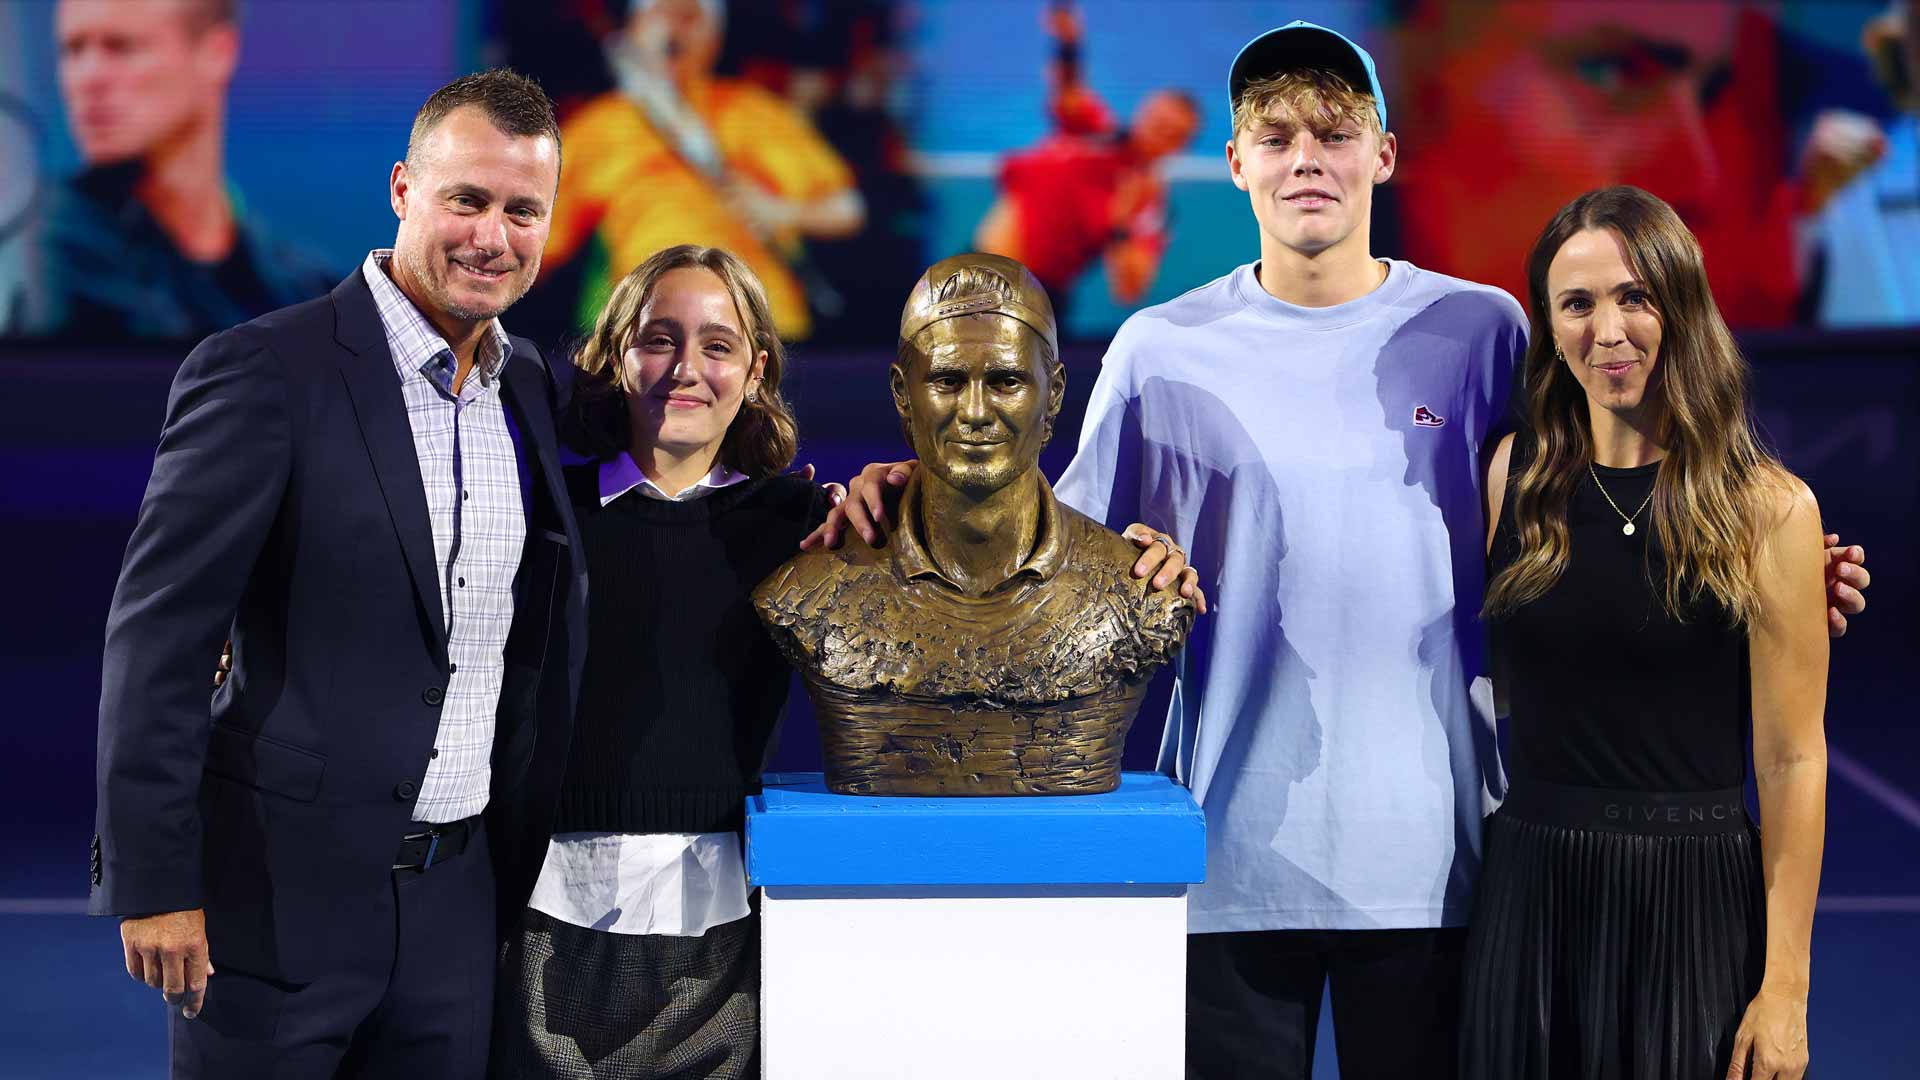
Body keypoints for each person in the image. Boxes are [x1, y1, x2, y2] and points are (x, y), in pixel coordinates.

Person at [812, 22, 1870, 1079]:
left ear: (1384, 153)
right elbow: (1040, 560)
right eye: (1274, 135)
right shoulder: (1158, 350)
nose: (1306, 157)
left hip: (1442, 878)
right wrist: (923, 495)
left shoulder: (1483, 329)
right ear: (1234, 163)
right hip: (1220, 871)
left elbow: (1590, 503)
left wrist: (1764, 573)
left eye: (1334, 129)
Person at [93, 70, 586, 1077]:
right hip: (272, 913)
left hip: (457, 909)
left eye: (521, 210)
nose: (492, 235)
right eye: (467, 199)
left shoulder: (530, 385)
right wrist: (154, 882)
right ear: (404, 190)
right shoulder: (266, 371)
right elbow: (161, 639)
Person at [1464, 185, 1826, 1080]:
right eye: (1576, 304)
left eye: (1635, 297)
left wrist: (1786, 991)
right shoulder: (1513, 480)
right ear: (1549, 328)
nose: (1608, 330)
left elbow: (1791, 763)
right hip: (1533, 899)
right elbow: (1499, 680)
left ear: (1682, 307)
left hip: (1697, 905)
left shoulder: (1769, 510)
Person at [490, 244, 829, 1078]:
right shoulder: (541, 511)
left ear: (755, 372)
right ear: (611, 356)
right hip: (535, 915)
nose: (686, 368)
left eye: (717, 346)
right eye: (658, 339)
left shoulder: (799, 525)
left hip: (720, 934)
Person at [10, 0, 336, 339]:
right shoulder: (47, 249)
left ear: (217, 53)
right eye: (72, 50)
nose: (87, 78)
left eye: (121, 47)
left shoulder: (306, 290)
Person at [542, 0, 865, 340]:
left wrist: (780, 212)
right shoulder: (599, 129)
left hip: (762, 328)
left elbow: (847, 209)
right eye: (659, 16)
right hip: (650, 332)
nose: (672, 30)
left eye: (688, 17)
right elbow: (541, 244)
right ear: (633, 31)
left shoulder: (755, 112)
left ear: (715, 38)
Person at [974, 2, 1201, 329]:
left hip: (1029, 306)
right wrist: (1068, 41)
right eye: (1155, 117)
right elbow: (1068, 92)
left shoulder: (1149, 205)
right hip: (974, 270)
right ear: (1143, 110)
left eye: (1170, 130)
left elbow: (1130, 288)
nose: (1155, 129)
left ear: (1180, 146)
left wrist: (1120, 223)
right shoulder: (1097, 130)